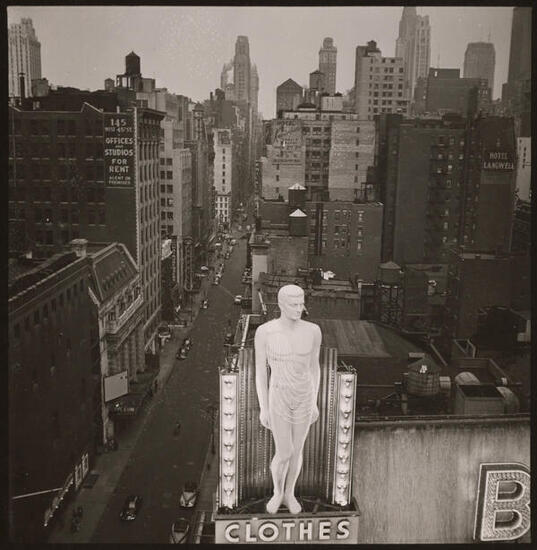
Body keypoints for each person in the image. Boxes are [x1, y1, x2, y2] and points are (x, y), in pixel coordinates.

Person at [255, 284, 321, 515]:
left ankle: (289, 493)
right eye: (294, 304)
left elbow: (314, 368)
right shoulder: (265, 332)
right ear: (281, 304)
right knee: (284, 451)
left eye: (301, 303)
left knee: (297, 450)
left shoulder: (313, 331)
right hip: (279, 395)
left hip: (304, 396)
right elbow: (261, 372)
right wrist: (263, 407)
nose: (299, 308)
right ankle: (277, 491)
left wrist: (314, 401)